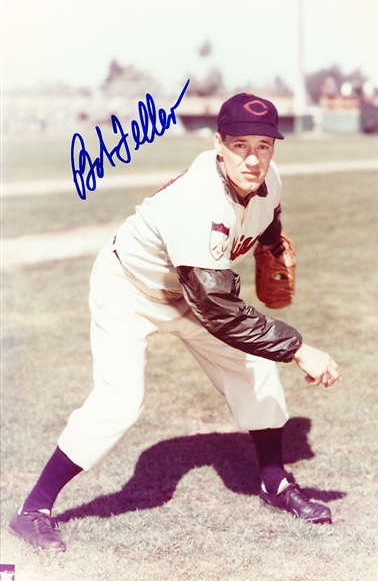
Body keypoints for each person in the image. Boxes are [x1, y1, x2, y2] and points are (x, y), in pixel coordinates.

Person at [8, 93, 342, 552]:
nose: (252, 158)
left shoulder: (268, 178)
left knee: (255, 370)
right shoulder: (198, 202)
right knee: (119, 402)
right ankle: (33, 511)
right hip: (130, 288)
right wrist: (299, 348)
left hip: (191, 292)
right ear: (219, 143)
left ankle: (274, 484)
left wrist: (268, 244)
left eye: (263, 145)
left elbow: (270, 214)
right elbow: (219, 312)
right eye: (240, 144)